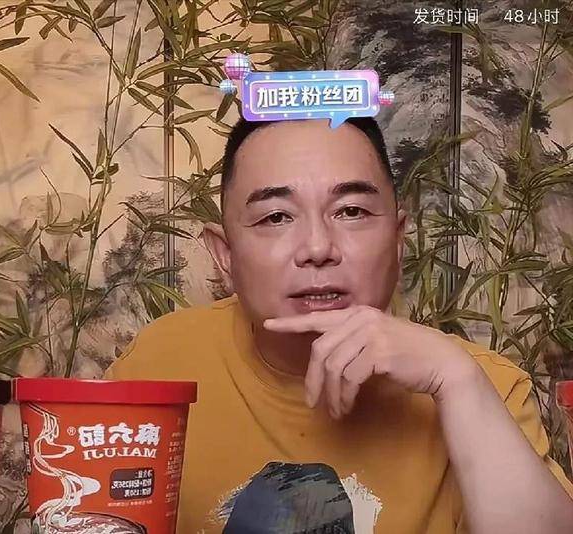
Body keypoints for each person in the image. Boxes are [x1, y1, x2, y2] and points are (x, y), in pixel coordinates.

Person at [106, 117, 573, 533]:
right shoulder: (159, 364)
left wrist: (455, 382)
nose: (317, 247)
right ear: (224, 255)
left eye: (351, 211)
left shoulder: (481, 385)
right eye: (276, 217)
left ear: (398, 240)